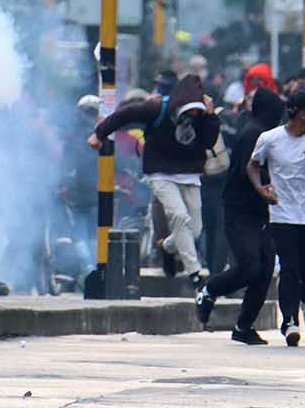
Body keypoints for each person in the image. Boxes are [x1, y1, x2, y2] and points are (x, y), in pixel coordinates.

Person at [90, 74, 219, 289]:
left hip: (190, 172)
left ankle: (166, 246)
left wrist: (211, 116)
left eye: (197, 110)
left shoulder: (203, 114)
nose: (193, 114)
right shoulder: (157, 108)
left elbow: (209, 141)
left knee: (195, 229)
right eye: (190, 111)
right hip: (160, 171)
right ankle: (194, 272)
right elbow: (124, 115)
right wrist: (99, 134)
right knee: (178, 216)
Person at [247, 89, 305, 347]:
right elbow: (253, 165)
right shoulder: (271, 138)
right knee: (288, 268)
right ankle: (289, 321)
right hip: (283, 213)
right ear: (300, 113)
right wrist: (261, 188)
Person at [196, 86, 285, 345]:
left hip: (261, 211)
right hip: (239, 210)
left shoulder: (264, 132)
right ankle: (210, 290)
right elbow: (251, 170)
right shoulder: (254, 134)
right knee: (250, 266)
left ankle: (243, 327)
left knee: (265, 269)